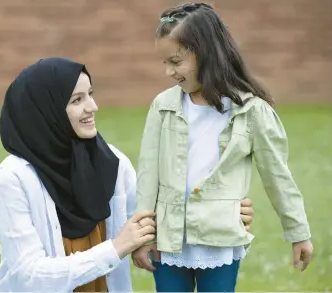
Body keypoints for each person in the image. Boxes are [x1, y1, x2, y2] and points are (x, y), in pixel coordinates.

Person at [0, 57, 255, 292]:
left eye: (90, 94)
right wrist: (115, 249)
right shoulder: (13, 180)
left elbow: (155, 225)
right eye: (76, 100)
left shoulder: (112, 164)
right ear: (46, 112)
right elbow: (29, 276)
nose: (92, 106)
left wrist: (222, 211)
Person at [132, 3, 313, 293]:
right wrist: (142, 236)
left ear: (204, 52)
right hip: (168, 240)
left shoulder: (252, 111)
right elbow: (147, 175)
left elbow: (277, 176)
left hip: (221, 240)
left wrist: (298, 233)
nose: (168, 71)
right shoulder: (162, 107)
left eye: (175, 61)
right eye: (164, 62)